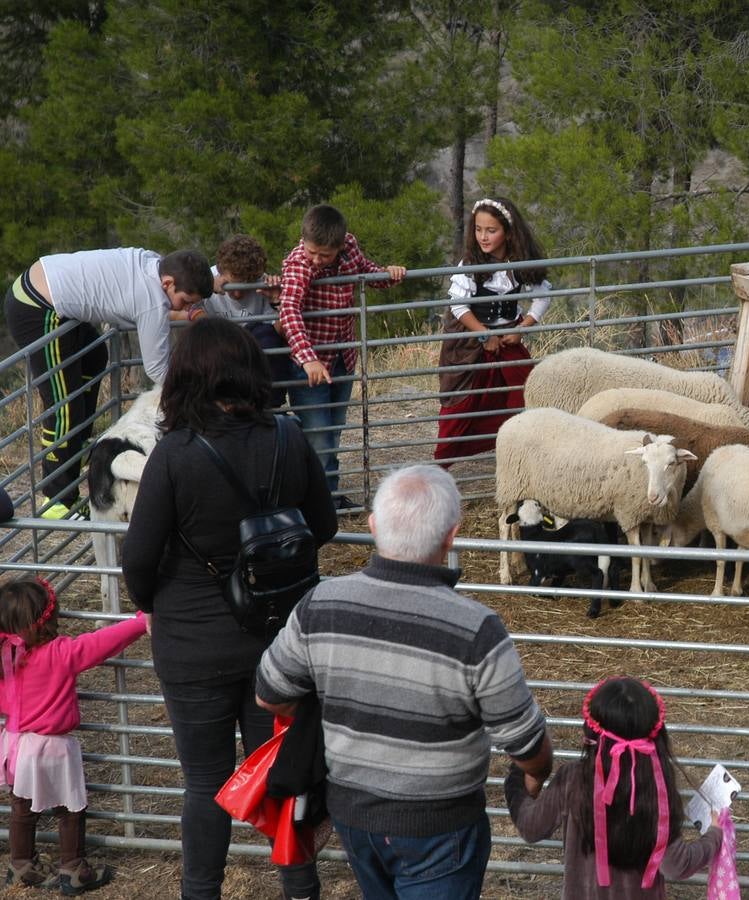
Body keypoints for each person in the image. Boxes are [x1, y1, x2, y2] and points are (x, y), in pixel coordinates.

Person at [256, 464, 553, 898]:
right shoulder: (476, 629)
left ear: (374, 526)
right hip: (439, 825)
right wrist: (536, 776)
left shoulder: (321, 603)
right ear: (452, 535)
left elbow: (269, 695)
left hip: (353, 814)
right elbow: (525, 744)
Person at [121, 318, 337, 900]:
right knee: (284, 773)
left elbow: (138, 559)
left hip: (193, 643)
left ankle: (200, 892)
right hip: (281, 641)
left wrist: (159, 602)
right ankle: (300, 887)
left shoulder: (175, 455)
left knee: (204, 783)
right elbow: (325, 525)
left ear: (187, 377)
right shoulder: (290, 437)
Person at [3, 247, 213, 519]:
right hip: (36, 305)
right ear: (168, 284)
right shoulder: (151, 299)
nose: (184, 309)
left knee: (94, 357)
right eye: (184, 301)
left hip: (46, 293)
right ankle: (55, 500)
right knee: (65, 405)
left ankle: (72, 459)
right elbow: (158, 369)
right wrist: (196, 393)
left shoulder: (156, 264)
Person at [505, 676, 723, 898]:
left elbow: (530, 827)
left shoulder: (572, 779)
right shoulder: (656, 786)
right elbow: (677, 866)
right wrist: (714, 835)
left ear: (590, 733)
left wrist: (518, 776)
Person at [0, 575, 147, 893]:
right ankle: (74, 868)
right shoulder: (59, 654)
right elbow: (101, 643)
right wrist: (141, 622)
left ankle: (21, 864)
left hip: (15, 745)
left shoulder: (4, 661)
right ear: (48, 619)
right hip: (52, 747)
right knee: (70, 809)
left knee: (21, 809)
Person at [276, 204, 406, 508]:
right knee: (318, 436)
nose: (317, 260)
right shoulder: (298, 264)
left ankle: (329, 498)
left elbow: (365, 272)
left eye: (325, 255)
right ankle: (319, 505)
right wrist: (308, 358)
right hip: (309, 364)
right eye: (312, 252)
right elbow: (289, 310)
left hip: (342, 358)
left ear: (340, 244)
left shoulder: (349, 247)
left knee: (332, 432)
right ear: (303, 240)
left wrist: (390, 274)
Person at [434, 196, 551, 462]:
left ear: (509, 233)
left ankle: (521, 452)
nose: (483, 237)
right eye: (478, 229)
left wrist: (522, 328)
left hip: (507, 337)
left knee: (524, 393)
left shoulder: (520, 264)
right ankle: (441, 465)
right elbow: (459, 306)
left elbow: (543, 296)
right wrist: (484, 335)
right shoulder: (470, 264)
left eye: (491, 230)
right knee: (461, 404)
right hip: (469, 341)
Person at [186, 234, 289, 407]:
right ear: (219, 273)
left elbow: (279, 334)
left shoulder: (264, 284)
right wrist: (205, 291)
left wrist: (277, 301)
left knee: (265, 335)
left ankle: (270, 407)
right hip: (216, 354)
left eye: (246, 285)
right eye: (231, 285)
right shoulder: (205, 279)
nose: (238, 294)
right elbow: (175, 311)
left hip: (252, 356)